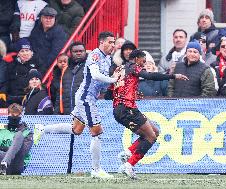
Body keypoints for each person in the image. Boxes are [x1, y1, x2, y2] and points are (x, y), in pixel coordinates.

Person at [33, 31, 120, 179]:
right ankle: (96, 169)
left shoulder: (108, 58)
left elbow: (102, 83)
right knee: (97, 132)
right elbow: (96, 75)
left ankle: (42, 128)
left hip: (88, 97)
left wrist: (113, 80)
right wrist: (113, 79)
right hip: (86, 98)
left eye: (114, 42)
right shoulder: (94, 55)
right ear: (102, 42)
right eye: (110, 42)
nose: (113, 45)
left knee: (76, 129)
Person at [109, 49, 188, 179]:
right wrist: (173, 76)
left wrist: (130, 94)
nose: (144, 63)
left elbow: (109, 93)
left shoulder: (119, 70)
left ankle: (127, 153)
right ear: (136, 59)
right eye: (143, 60)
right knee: (151, 137)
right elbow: (150, 76)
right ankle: (129, 165)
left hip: (119, 110)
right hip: (127, 109)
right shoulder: (133, 67)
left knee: (154, 131)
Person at [29, 6, 67, 75]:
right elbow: (32, 45)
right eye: (46, 18)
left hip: (48, 66)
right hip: (34, 62)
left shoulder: (59, 32)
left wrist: (43, 66)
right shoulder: (36, 29)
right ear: (41, 18)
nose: (48, 20)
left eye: (51, 18)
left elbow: (55, 53)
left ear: (55, 19)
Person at [0, 103, 33, 175]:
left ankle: (5, 163)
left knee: (19, 135)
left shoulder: (27, 132)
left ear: (21, 116)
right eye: (12, 115)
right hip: (1, 159)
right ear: (8, 115)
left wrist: (3, 148)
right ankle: (3, 166)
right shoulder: (1, 130)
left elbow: (24, 151)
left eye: (17, 116)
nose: (14, 118)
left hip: (16, 163)